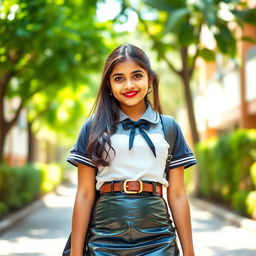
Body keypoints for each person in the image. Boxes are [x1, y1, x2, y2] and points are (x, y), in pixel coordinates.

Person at [66, 44, 197, 256]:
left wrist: (189, 253)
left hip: (158, 235)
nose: (129, 85)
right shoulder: (92, 128)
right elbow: (84, 194)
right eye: (119, 78)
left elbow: (178, 195)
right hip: (104, 235)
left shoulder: (169, 127)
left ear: (150, 80)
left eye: (137, 75)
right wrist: (76, 253)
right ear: (108, 84)